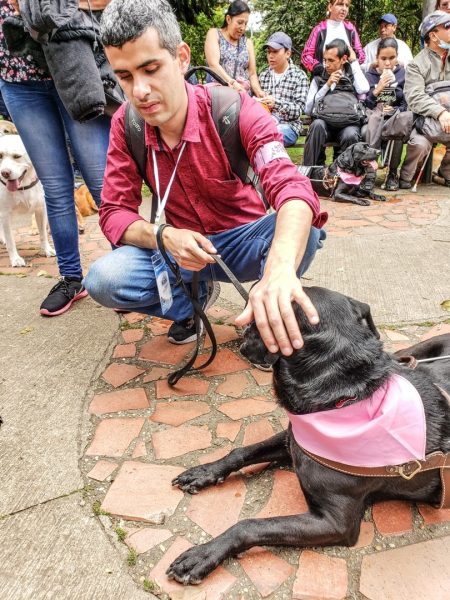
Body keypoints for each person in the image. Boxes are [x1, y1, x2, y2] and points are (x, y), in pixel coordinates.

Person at [84, 0, 327, 360]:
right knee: (103, 280)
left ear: (182, 58)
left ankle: (265, 307)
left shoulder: (234, 109)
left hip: (243, 240)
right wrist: (164, 236)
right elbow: (114, 212)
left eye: (151, 69)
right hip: (182, 248)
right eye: (125, 76)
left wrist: (278, 267)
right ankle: (190, 304)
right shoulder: (126, 123)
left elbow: (291, 186)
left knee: (303, 233)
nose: (140, 91)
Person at [0, 0, 112, 316]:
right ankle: (70, 279)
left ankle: (131, 271)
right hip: (17, 81)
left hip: (74, 67)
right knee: (55, 188)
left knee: (102, 182)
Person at [398, 10, 450, 189]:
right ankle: (405, 177)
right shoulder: (416, 64)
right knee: (419, 144)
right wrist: (440, 112)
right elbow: (414, 97)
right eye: (447, 26)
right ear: (434, 36)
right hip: (424, 121)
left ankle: (446, 172)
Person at [303, 39, 369, 166]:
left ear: (344, 59)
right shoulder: (318, 79)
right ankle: (310, 172)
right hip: (325, 126)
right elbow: (308, 109)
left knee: (351, 134)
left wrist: (354, 62)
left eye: (331, 60)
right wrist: (327, 85)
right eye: (325, 60)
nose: (326, 64)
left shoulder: (353, 76)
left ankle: (346, 177)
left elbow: (364, 88)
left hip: (347, 125)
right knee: (316, 125)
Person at [364, 38, 408, 191]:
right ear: (377, 58)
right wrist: (379, 87)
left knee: (396, 128)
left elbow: (405, 104)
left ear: (397, 57)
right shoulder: (369, 75)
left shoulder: (402, 74)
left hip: (394, 117)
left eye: (392, 58)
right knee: (371, 125)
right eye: (383, 59)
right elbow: (366, 104)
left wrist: (396, 110)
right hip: (374, 116)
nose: (388, 63)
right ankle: (370, 173)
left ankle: (392, 174)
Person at [258, 32, 308, 147]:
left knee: (268, 135)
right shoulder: (264, 75)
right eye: (268, 52)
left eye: (275, 51)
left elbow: (298, 110)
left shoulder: (299, 76)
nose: (271, 56)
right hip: (265, 125)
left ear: (288, 53)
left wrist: (276, 103)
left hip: (289, 127)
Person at [204, 1, 263, 97]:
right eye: (240, 22)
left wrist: (259, 92)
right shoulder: (214, 34)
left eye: (245, 23)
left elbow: (252, 74)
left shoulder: (248, 43)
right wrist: (233, 83)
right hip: (219, 97)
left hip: (242, 98)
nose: (243, 28)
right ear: (228, 19)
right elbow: (213, 64)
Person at [301, 0, 364, 75]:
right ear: (330, 7)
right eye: (340, 4)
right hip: (323, 79)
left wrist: (353, 62)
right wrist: (318, 67)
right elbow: (306, 56)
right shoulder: (319, 29)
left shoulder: (350, 28)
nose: (344, 9)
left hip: (347, 81)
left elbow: (361, 54)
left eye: (347, 6)